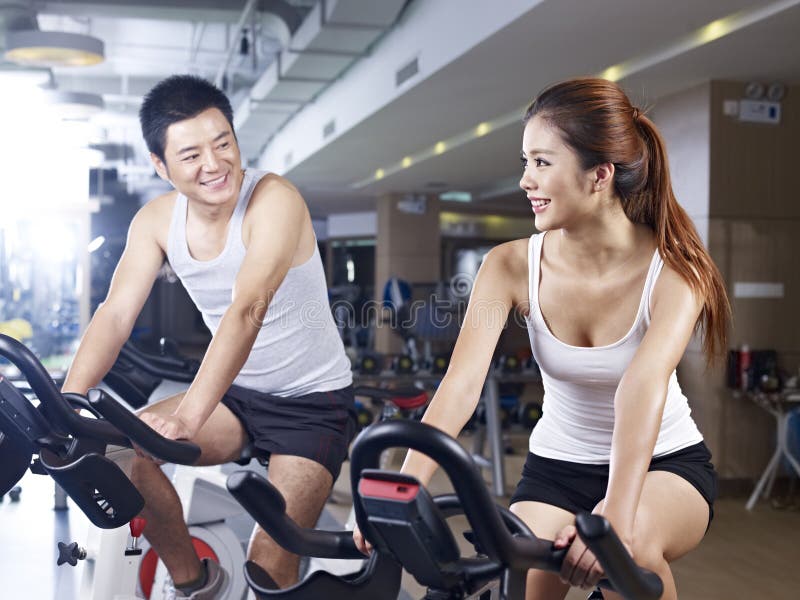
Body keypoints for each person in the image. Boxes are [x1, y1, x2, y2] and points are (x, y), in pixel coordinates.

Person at [354, 77, 729, 600]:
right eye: (525, 162)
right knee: (519, 573)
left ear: (599, 175)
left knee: (631, 549)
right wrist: (405, 487)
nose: (526, 180)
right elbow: (460, 386)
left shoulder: (675, 272)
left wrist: (613, 521)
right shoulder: (508, 265)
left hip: (663, 466)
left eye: (542, 162)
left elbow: (642, 387)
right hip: (556, 468)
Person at [62, 74, 356, 599]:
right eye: (191, 153)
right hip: (237, 395)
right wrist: (70, 402)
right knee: (120, 456)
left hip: (311, 404)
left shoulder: (274, 200)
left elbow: (247, 310)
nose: (214, 164)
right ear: (161, 164)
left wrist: (186, 418)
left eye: (223, 144)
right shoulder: (156, 220)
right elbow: (114, 315)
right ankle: (195, 582)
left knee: (269, 564)